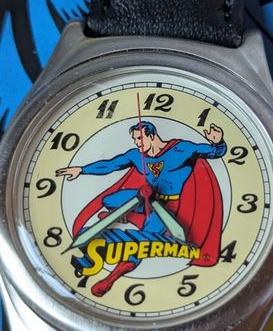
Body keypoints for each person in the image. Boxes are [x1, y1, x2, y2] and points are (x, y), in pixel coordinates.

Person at [57, 121, 227, 295]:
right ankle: (122, 214)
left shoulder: (182, 149)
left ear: (151, 135)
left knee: (141, 244)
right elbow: (111, 164)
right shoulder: (136, 156)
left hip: (164, 208)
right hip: (141, 198)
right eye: (135, 139)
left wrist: (218, 142)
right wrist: (82, 170)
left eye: (139, 138)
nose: (137, 143)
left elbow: (214, 152)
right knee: (110, 200)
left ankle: (110, 279)